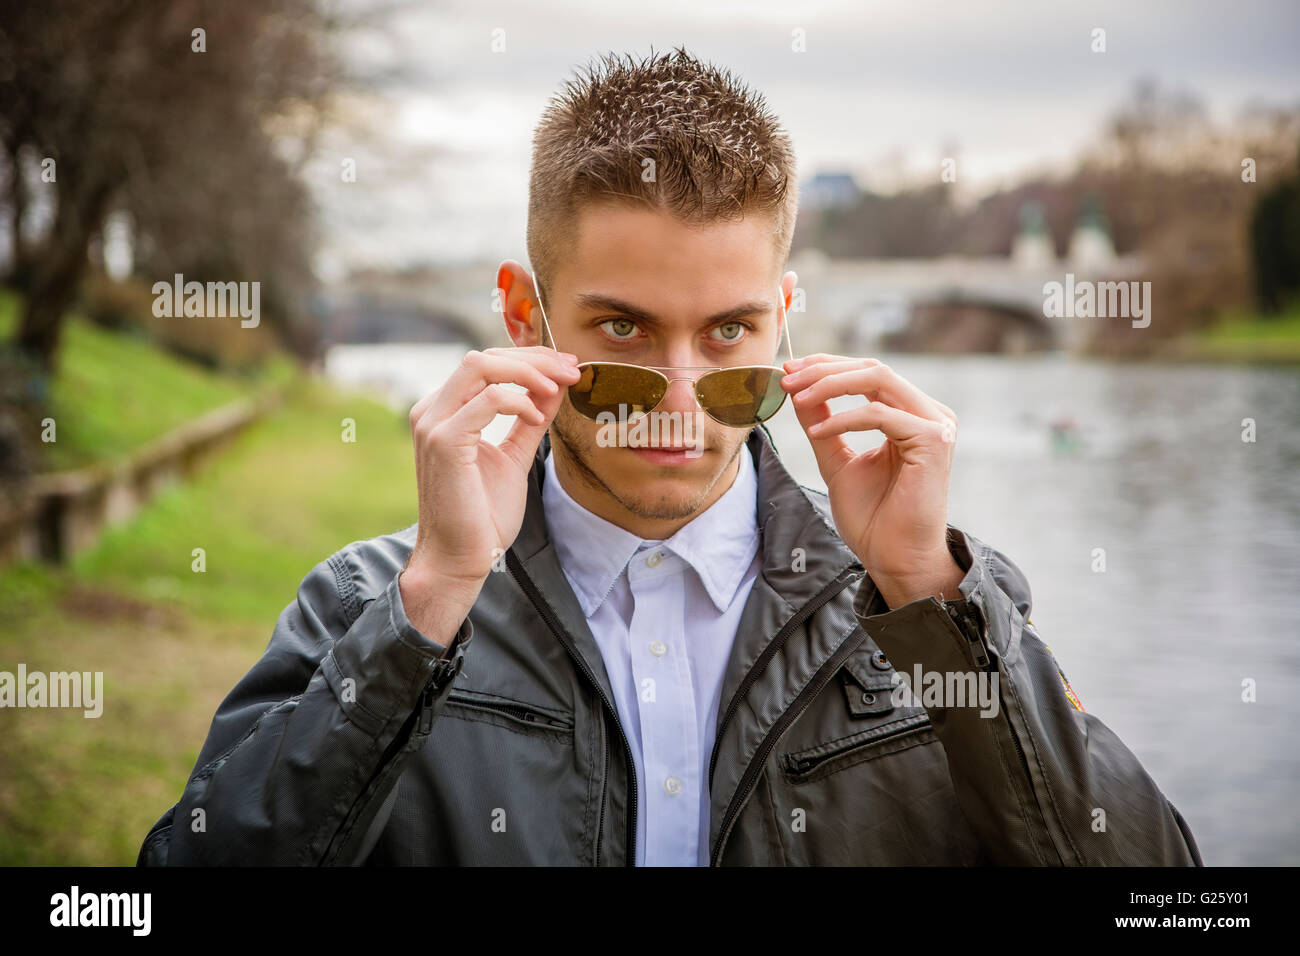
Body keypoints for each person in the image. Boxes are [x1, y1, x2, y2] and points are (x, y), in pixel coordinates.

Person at [139, 47, 1200, 866]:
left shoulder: (930, 617)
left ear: (785, 317)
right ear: (524, 314)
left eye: (730, 335)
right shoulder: (369, 609)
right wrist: (429, 606)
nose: (681, 403)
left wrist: (930, 596)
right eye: (623, 333)